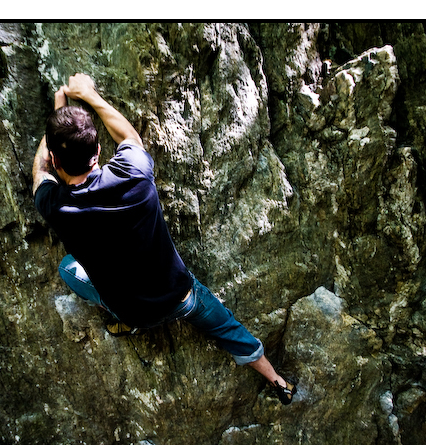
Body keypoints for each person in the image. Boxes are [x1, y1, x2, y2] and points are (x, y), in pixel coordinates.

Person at [32, 73, 296, 405]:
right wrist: (91, 96)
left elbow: (39, 172)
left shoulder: (55, 206)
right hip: (180, 297)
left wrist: (56, 117)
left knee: (68, 268)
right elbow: (127, 135)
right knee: (228, 329)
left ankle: (124, 320)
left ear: (57, 160)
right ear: (99, 150)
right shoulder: (135, 171)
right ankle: (277, 381)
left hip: (135, 312)